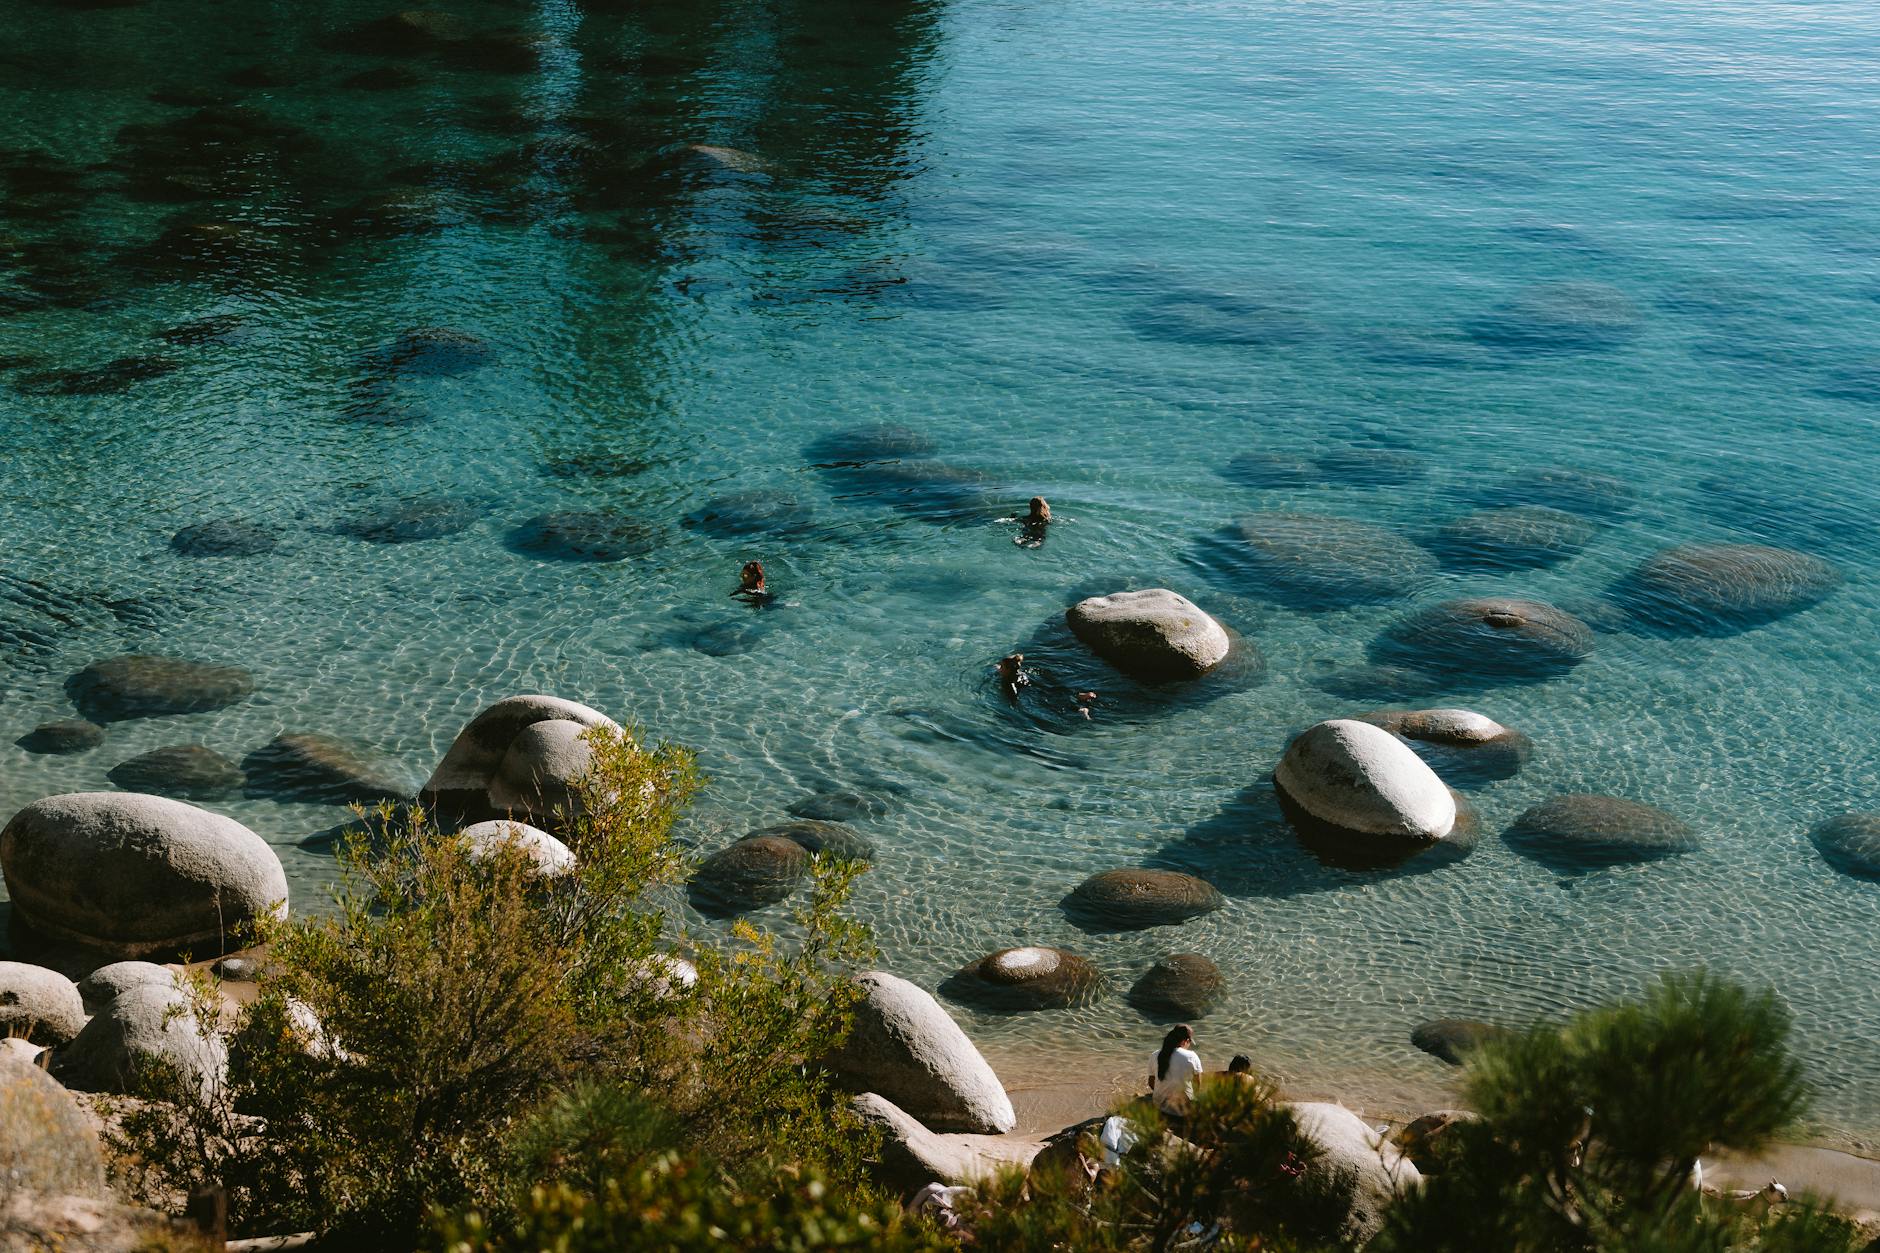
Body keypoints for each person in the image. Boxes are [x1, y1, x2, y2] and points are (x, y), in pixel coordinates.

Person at [1149, 1024, 1203, 1123]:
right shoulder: (1192, 1056)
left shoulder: (1155, 1054)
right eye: (1190, 1042)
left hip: (1159, 1107)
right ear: (1186, 1041)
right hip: (1182, 1112)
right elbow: (1197, 1086)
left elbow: (1151, 1083)